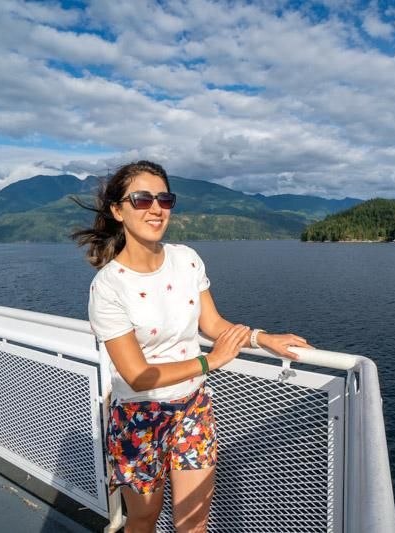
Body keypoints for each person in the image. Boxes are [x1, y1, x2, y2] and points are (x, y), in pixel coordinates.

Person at [72, 160, 312, 533]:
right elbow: (137, 375)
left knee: (194, 521)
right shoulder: (108, 287)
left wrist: (262, 338)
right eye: (142, 199)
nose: (155, 208)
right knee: (143, 519)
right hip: (140, 417)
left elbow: (213, 324)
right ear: (118, 210)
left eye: (164, 199)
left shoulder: (186, 260)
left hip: (193, 410)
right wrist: (209, 363)